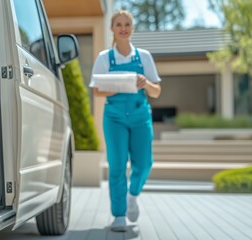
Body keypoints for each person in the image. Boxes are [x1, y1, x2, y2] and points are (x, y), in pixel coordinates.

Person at [90, 10, 161, 231]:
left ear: (132, 28)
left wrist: (145, 82)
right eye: (119, 24)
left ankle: (133, 195)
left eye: (127, 24)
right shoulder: (104, 58)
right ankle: (119, 215)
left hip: (140, 116)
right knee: (117, 166)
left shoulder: (144, 57)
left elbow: (157, 91)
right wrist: (116, 86)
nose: (123, 28)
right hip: (114, 118)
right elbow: (97, 92)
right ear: (112, 28)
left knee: (144, 163)